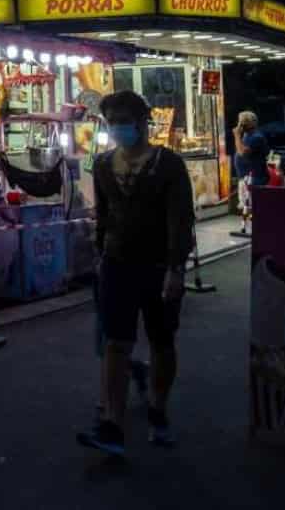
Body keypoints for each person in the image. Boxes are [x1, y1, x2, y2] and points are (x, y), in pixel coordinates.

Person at [78, 91, 194, 456]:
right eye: (113, 123)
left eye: (125, 122)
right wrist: (99, 254)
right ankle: (112, 423)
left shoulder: (167, 164)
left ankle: (158, 411)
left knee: (161, 341)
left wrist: (176, 268)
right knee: (115, 342)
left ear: (143, 123)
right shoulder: (101, 165)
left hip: (160, 266)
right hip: (116, 264)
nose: (119, 129)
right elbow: (105, 214)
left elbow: (180, 219)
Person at [234, 111, 270, 191]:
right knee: (245, 203)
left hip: (255, 179)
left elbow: (242, 152)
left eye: (244, 121)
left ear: (252, 123)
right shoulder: (246, 136)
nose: (241, 124)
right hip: (245, 178)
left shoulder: (256, 137)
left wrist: (237, 135)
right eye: (240, 121)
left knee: (253, 202)